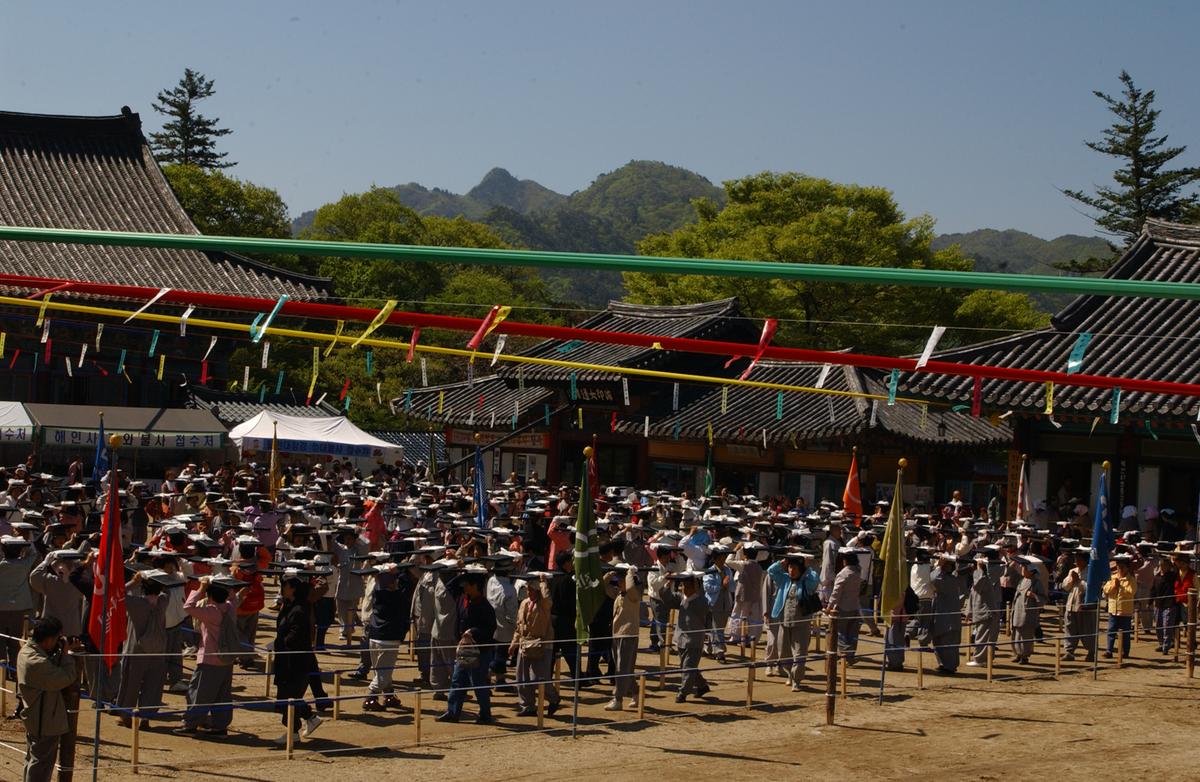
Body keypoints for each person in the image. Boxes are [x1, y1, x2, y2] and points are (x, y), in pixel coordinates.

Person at [17, 616, 82, 782]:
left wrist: (60, 650)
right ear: (48, 639)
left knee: (34, 761)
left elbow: (49, 666)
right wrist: (66, 655)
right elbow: (65, 677)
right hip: (44, 722)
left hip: (39, 719)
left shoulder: (29, 652)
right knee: (41, 765)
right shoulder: (35, 662)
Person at [173, 577, 238, 737]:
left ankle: (191, 725)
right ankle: (220, 726)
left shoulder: (212, 611)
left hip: (209, 660)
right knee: (222, 695)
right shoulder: (229, 608)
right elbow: (235, 597)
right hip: (226, 660)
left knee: (199, 693)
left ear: (210, 596)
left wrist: (201, 587)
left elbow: (188, 607)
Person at [437, 571, 497, 724]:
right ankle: (453, 712)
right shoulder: (462, 599)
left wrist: (474, 632)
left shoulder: (485, 606)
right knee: (457, 680)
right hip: (463, 650)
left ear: (475, 586)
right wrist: (462, 572)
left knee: (478, 683)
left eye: (467, 584)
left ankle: (485, 714)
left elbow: (490, 629)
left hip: (480, 651)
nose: (463, 587)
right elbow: (450, 586)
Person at [115, 570, 169, 727]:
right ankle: (145, 718)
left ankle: (126, 714)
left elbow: (119, 593)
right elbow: (168, 589)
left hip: (136, 650)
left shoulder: (135, 603)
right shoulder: (163, 601)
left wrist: (134, 581)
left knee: (130, 684)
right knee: (152, 685)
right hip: (158, 650)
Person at [272, 575, 322, 744]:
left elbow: (295, 635)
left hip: (295, 662)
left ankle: (293, 732)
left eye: (284, 586)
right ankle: (310, 718)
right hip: (288, 660)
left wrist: (277, 643)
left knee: (290, 696)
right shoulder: (291, 606)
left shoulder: (299, 609)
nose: (282, 589)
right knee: (289, 695)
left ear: (292, 588)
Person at [656, 571, 712, 703]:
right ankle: (702, 685)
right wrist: (668, 583)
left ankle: (683, 692)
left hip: (694, 640)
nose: (684, 588)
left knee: (688, 667)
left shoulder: (702, 601)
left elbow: (708, 617)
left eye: (687, 586)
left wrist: (707, 633)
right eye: (682, 586)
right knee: (686, 667)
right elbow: (666, 598)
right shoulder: (681, 598)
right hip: (680, 638)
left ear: (695, 587)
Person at [766, 552, 819, 691]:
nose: (791, 570)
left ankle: (797, 680)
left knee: (800, 653)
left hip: (801, 623)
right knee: (783, 653)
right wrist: (781, 563)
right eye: (789, 568)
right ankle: (789, 674)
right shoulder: (784, 580)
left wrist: (808, 568)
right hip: (784, 621)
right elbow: (771, 571)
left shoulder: (806, 581)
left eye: (795, 568)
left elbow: (815, 580)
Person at [363, 564, 411, 711]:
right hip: (388, 638)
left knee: (380, 670)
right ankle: (370, 697)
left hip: (375, 635)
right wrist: (398, 571)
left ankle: (389, 695)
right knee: (383, 672)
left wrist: (386, 572)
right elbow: (406, 583)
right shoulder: (397, 596)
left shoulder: (377, 592)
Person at [511, 573, 558, 717]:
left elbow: (548, 599)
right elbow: (519, 625)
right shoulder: (524, 603)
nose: (528, 592)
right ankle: (528, 705)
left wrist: (543, 582)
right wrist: (514, 643)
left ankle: (554, 698)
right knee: (521, 677)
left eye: (531, 589)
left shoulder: (543, 604)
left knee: (539, 677)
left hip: (542, 643)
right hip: (525, 643)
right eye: (527, 589)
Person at [605, 564, 643, 710]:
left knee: (622, 668)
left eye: (620, 581)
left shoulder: (634, 595)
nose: (618, 584)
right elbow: (604, 588)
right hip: (617, 633)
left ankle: (618, 698)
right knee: (624, 668)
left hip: (628, 634)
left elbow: (631, 588)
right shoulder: (618, 594)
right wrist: (609, 574)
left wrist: (629, 575)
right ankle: (636, 692)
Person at [929, 554, 966, 674]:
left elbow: (934, 579)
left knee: (948, 643)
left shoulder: (951, 580)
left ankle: (950, 666)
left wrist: (939, 567)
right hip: (940, 615)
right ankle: (943, 664)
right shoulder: (947, 578)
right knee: (938, 641)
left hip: (948, 618)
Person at [827, 548, 863, 664]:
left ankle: (846, 654)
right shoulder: (858, 571)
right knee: (852, 632)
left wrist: (830, 606)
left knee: (840, 632)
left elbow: (836, 592)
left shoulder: (843, 573)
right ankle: (850, 654)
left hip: (842, 607)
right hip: (855, 605)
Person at [1060, 549, 1096, 662]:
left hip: (1085, 606)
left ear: (1085, 561)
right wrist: (1072, 579)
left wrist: (1079, 580)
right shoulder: (1072, 570)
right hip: (1071, 604)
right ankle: (1069, 651)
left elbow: (1091, 588)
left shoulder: (1091, 571)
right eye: (1076, 560)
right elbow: (1065, 586)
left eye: (1079, 560)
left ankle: (1091, 651)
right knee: (1070, 628)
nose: (1077, 562)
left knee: (1087, 630)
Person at [967, 554, 1000, 667]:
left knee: (983, 638)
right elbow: (972, 596)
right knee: (982, 637)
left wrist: (980, 568)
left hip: (986, 613)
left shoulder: (984, 579)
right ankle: (983, 659)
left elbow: (978, 583)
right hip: (981, 612)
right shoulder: (980, 580)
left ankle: (980, 660)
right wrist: (969, 612)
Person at [1010, 557, 1044, 664]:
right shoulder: (1022, 580)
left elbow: (1044, 598)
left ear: (1030, 570)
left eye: (1024, 568)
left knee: (1025, 635)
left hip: (1028, 612)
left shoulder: (1036, 582)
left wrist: (1034, 595)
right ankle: (1018, 654)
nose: (1022, 570)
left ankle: (1025, 656)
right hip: (1017, 610)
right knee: (1016, 634)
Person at [1103, 555, 1136, 659]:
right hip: (1113, 610)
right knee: (1111, 631)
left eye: (1122, 567)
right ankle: (1109, 650)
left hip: (1125, 611)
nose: (1120, 569)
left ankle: (1125, 652)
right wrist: (1113, 586)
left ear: (1127, 568)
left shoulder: (1131, 579)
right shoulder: (1112, 577)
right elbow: (1106, 590)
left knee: (1125, 633)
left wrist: (1120, 587)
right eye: (1118, 567)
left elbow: (1132, 592)